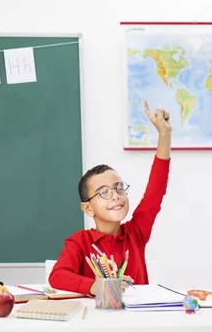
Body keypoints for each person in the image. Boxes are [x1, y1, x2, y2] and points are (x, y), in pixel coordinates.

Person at [49, 101, 172, 295]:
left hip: (135, 322)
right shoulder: (79, 242)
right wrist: (97, 286)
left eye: (119, 188)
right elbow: (57, 276)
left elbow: (155, 191)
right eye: (104, 192)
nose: (115, 195)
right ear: (88, 208)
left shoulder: (135, 233)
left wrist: (164, 135)